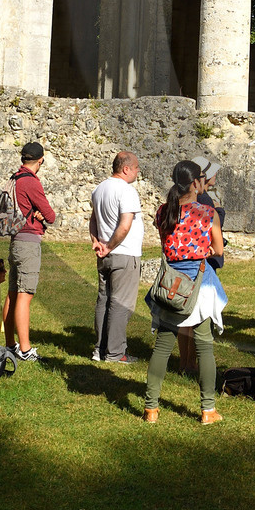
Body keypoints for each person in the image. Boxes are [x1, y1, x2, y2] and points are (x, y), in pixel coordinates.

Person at [143, 160, 227, 424]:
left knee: (162, 347)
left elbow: (166, 246)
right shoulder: (206, 212)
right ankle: (208, 409)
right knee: (204, 347)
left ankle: (151, 408)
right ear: (195, 183)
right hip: (197, 285)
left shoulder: (162, 212)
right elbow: (219, 249)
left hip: (170, 283)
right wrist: (204, 250)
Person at [4, 141, 56, 363]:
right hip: (28, 242)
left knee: (13, 293)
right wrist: (41, 214)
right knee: (25, 295)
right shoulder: (31, 182)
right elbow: (50, 215)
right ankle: (25, 350)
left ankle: (9, 344)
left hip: (16, 240)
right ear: (40, 160)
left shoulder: (15, 178)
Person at [89, 151, 143, 364]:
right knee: (121, 305)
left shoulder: (99, 188)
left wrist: (96, 241)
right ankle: (115, 352)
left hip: (105, 254)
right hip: (123, 253)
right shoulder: (126, 191)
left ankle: (99, 349)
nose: (138, 171)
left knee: (104, 300)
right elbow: (125, 225)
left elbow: (93, 220)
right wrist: (110, 245)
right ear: (126, 168)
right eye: (136, 167)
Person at [179, 157, 226, 375]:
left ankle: (186, 362)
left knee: (185, 316)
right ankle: (191, 363)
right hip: (199, 264)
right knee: (196, 318)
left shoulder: (191, 201)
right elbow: (213, 243)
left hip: (181, 265)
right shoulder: (205, 203)